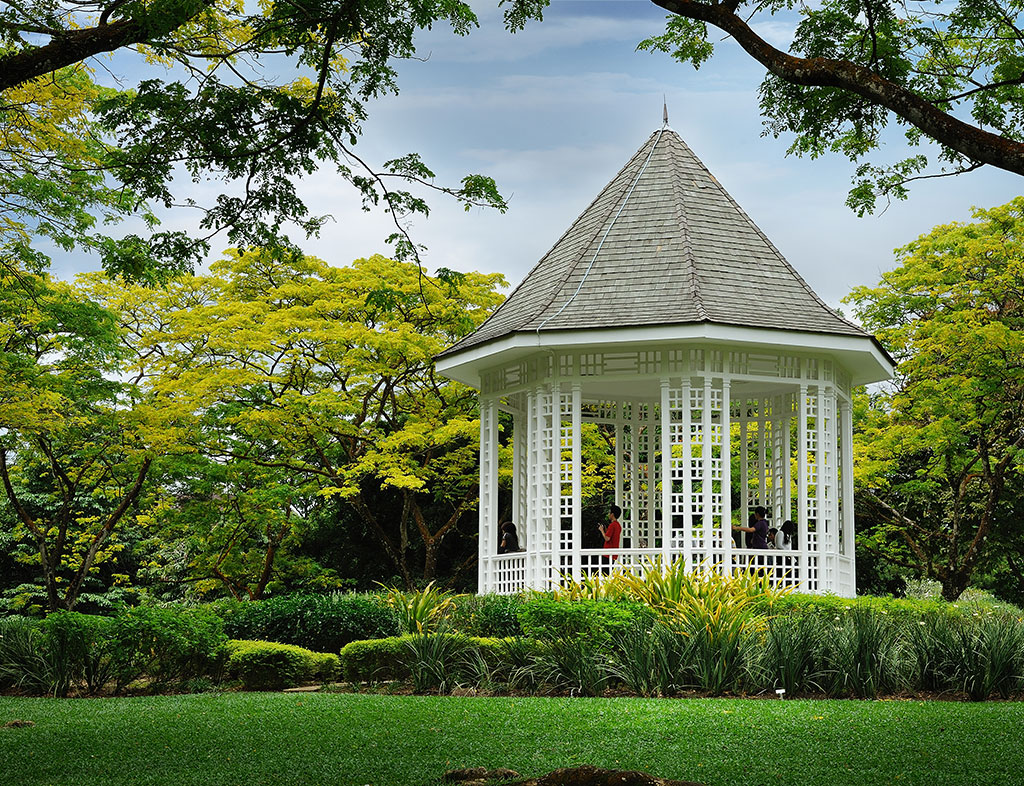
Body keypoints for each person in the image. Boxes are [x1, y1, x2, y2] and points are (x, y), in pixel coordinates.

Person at [597, 505, 622, 570]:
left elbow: (607, 538)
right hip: (614, 553)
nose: (608, 514)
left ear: (612, 514)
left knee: (605, 573)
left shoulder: (612, 525)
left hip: (608, 553)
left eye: (609, 513)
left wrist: (602, 530)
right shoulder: (618, 525)